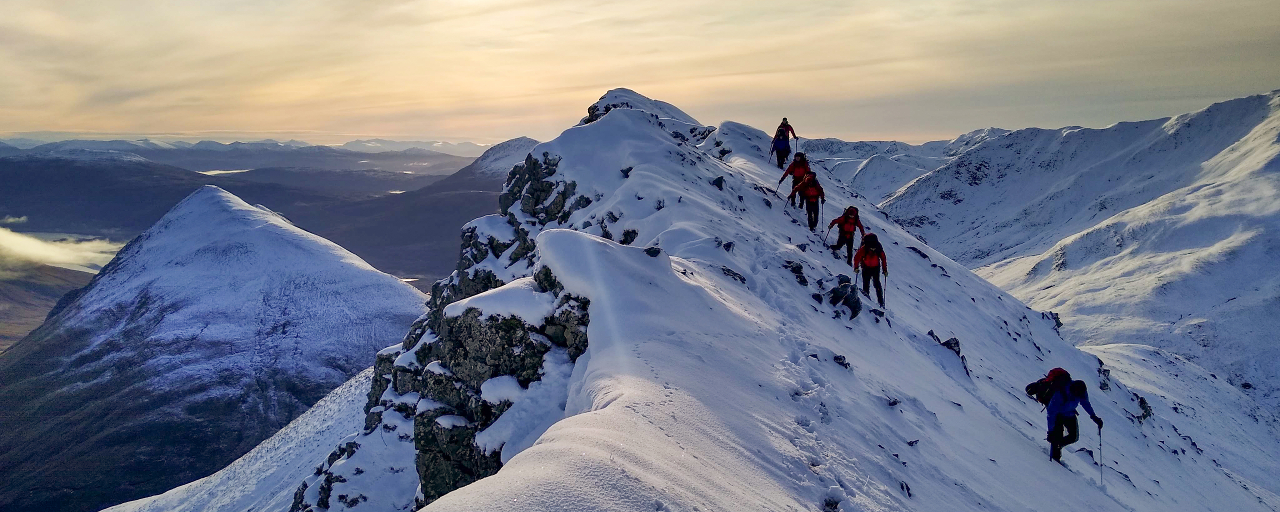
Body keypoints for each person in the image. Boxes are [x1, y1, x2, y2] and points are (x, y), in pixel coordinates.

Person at [1045, 379, 1103, 462]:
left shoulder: (1081, 391)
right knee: (1056, 436)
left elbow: (1085, 403)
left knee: (1074, 437)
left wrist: (1093, 416)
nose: (1078, 396)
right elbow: (1051, 413)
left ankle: (1057, 445)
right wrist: (1050, 431)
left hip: (1070, 414)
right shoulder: (1060, 393)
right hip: (1058, 415)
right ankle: (1055, 460)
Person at [853, 233, 887, 307]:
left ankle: (879, 302)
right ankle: (872, 301)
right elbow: (857, 258)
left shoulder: (876, 248)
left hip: (873, 267)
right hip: (868, 267)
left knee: (874, 284)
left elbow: (883, 258)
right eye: (872, 248)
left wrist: (884, 269)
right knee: (869, 284)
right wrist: (856, 267)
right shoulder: (865, 248)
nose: (873, 249)